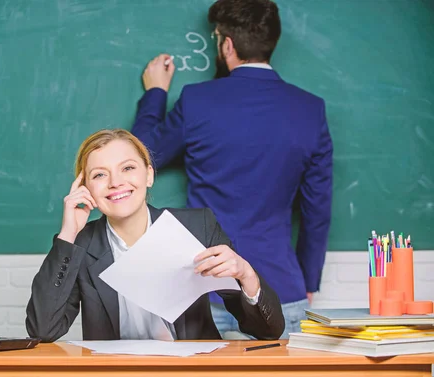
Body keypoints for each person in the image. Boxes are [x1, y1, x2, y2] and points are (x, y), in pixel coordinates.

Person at [131, 0, 333, 339]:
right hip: (280, 290)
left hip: (203, 292)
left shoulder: (197, 100)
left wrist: (155, 93)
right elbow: (317, 211)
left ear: (227, 44)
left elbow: (141, 157)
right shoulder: (311, 110)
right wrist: (308, 278)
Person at [26, 129, 284, 342]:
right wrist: (69, 233)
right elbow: (43, 330)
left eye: (127, 168)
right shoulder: (81, 244)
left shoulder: (197, 226)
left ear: (148, 175)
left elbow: (267, 331)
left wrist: (247, 275)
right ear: (85, 188)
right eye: (100, 175)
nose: (115, 182)